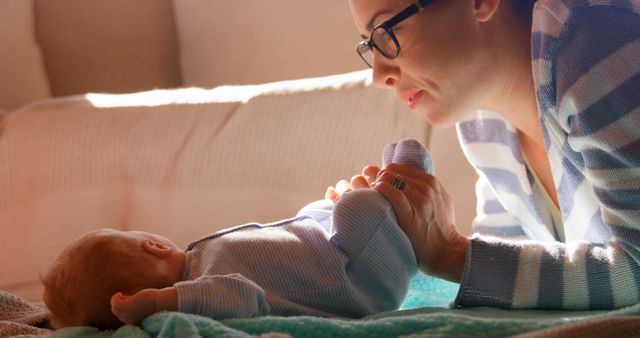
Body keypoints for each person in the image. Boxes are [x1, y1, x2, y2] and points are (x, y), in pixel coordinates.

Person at [346, 0, 640, 310]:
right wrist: (390, 234)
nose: (379, 76)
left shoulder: (591, 36)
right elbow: (510, 277)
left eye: (387, 31)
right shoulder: (480, 123)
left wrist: (450, 252)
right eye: (370, 45)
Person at [41, 139, 433, 329]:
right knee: (357, 206)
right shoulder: (205, 289)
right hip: (360, 282)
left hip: (334, 256)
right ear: (155, 246)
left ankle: (370, 202)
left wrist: (321, 218)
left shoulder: (203, 264)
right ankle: (407, 174)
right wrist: (162, 300)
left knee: (315, 212)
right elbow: (247, 295)